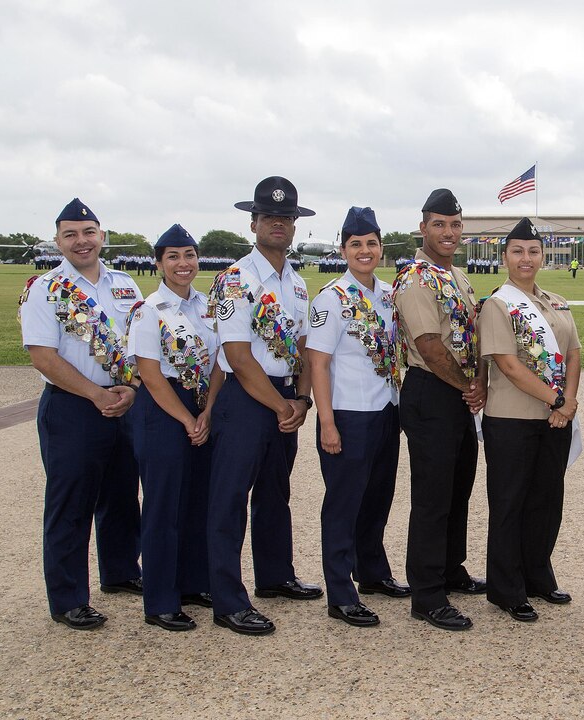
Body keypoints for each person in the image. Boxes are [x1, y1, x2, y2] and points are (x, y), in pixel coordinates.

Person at [206, 176, 323, 636]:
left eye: (287, 217)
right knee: (230, 499)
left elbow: (302, 344)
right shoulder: (236, 279)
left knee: (276, 492)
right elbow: (237, 355)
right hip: (247, 397)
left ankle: (275, 576)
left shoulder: (295, 283)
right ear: (253, 222)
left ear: (295, 226)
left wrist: (301, 398)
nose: (279, 223)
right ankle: (228, 600)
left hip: (283, 399)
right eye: (270, 217)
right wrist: (280, 405)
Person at [18, 198, 142, 630]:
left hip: (124, 401)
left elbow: (140, 343)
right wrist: (94, 394)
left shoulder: (126, 284)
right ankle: (69, 598)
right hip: (73, 405)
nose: (81, 241)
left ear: (102, 236)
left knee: (123, 495)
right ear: (57, 242)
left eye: (88, 232)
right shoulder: (45, 289)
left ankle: (122, 571)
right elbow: (42, 356)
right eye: (70, 234)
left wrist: (129, 390)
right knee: (71, 504)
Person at [307, 207, 409, 628]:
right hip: (348, 415)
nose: (364, 251)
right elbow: (317, 364)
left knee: (377, 499)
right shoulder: (331, 299)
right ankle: (340, 593)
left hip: (385, 410)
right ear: (343, 250)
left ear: (381, 248)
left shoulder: (388, 295)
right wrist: (327, 422)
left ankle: (372, 572)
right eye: (355, 245)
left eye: (371, 243)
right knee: (343, 505)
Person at [477, 217, 582, 623]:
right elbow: (508, 365)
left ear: (542, 256)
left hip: (556, 418)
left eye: (533, 251)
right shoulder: (497, 305)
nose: (526, 258)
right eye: (518, 251)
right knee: (509, 503)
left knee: (546, 502)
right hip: (512, 420)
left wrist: (568, 403)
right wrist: (558, 399)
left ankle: (538, 575)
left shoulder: (556, 302)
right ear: (504, 257)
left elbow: (574, 353)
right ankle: (506, 589)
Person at [394, 188, 487, 631]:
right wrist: (469, 387)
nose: (448, 232)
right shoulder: (416, 278)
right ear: (423, 227)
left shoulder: (455, 276)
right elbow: (430, 346)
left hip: (455, 394)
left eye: (454, 225)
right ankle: (427, 593)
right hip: (433, 391)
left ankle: (451, 569)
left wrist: (470, 387)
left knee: (457, 488)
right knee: (432, 498)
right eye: (439, 224)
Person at [126, 224, 222, 631]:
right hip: (162, 411)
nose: (183, 264)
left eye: (189, 255)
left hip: (203, 406)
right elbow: (149, 373)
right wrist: (187, 418)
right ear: (159, 264)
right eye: (173, 257)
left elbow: (220, 361)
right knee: (164, 506)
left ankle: (193, 583)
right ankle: (161, 599)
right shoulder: (149, 310)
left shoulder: (208, 305)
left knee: (199, 500)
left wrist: (208, 413)